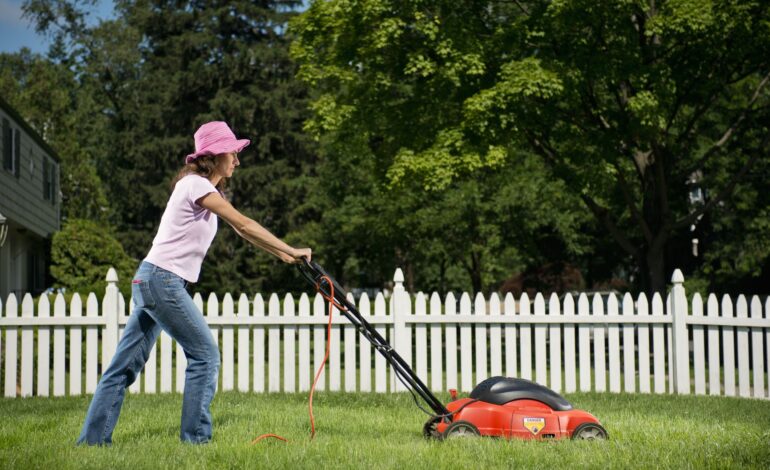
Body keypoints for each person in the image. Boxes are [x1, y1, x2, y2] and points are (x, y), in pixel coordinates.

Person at [77, 121, 311, 445]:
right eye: (233, 152)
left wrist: (283, 255)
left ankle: (91, 442)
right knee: (205, 356)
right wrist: (291, 248)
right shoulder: (194, 184)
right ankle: (196, 442)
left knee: (124, 367)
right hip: (162, 281)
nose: (237, 161)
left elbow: (242, 231)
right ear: (214, 155)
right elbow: (242, 221)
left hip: (151, 279)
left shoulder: (202, 190)